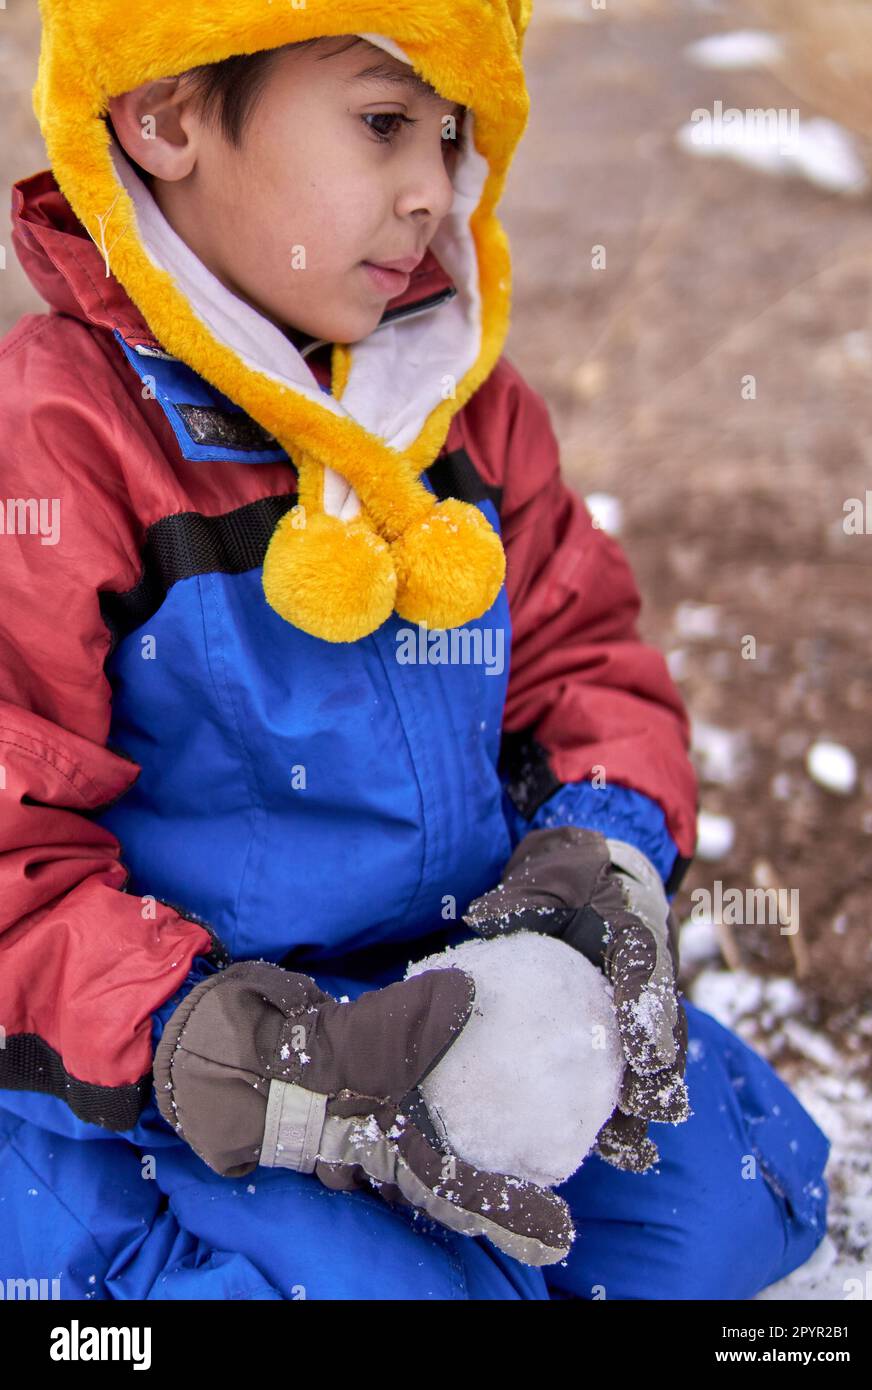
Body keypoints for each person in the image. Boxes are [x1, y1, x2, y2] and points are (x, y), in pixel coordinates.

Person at [0, 2, 829, 1298]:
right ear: (163, 114)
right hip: (172, 1056)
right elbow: (15, 854)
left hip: (438, 992)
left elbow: (585, 664)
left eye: (451, 137)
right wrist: (211, 1044)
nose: (431, 191)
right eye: (384, 123)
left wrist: (587, 873)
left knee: (717, 1209)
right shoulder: (60, 440)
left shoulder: (464, 413)